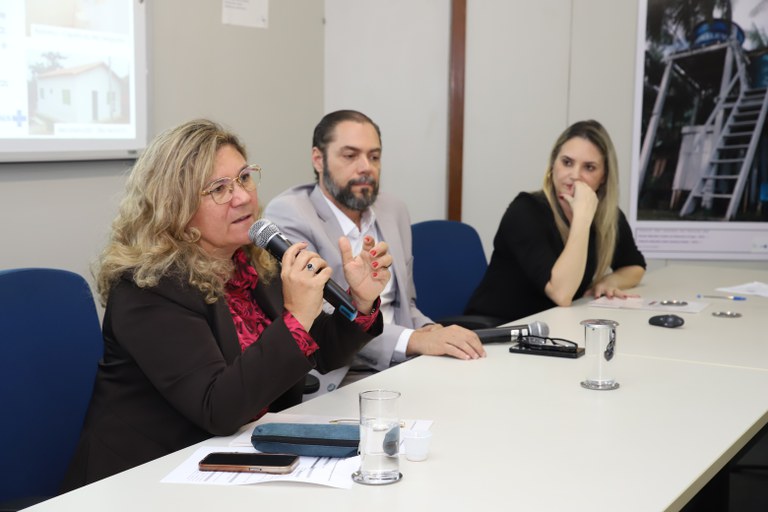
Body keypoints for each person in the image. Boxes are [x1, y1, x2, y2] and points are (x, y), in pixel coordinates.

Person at [61, 119, 391, 490]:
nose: (243, 197)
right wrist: (296, 316)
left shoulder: (250, 261)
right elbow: (218, 407)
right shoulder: (149, 285)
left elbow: (321, 352)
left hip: (239, 459)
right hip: (147, 478)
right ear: (176, 206)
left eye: (245, 178)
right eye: (220, 188)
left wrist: (360, 302)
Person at [265, 110, 485, 395]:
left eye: (374, 156)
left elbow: (406, 307)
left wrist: (434, 333)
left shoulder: (393, 209)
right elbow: (323, 322)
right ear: (318, 159)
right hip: (341, 375)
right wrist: (414, 340)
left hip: (405, 362)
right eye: (350, 156)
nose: (365, 167)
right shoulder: (290, 215)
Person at [465, 119, 646, 323]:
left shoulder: (608, 217)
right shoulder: (525, 210)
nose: (574, 175)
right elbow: (562, 293)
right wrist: (582, 219)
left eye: (589, 167)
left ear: (603, 177)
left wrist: (609, 280)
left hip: (554, 328)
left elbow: (635, 266)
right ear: (553, 164)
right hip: (499, 330)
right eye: (567, 162)